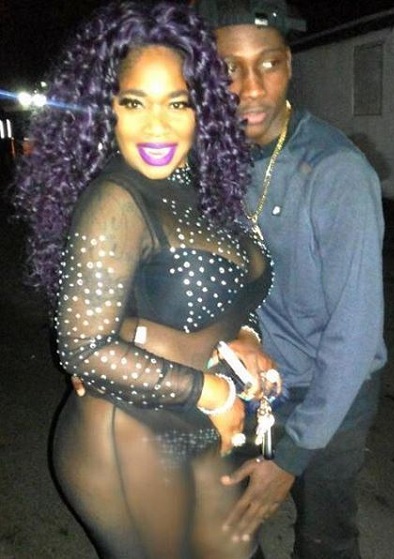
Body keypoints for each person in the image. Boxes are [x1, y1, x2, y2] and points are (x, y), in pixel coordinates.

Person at [12, 2, 275, 558]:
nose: (157, 126)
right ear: (105, 109)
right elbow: (84, 348)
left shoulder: (200, 181)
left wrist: (245, 334)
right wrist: (214, 393)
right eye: (134, 102)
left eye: (177, 102)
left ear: (203, 107)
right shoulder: (116, 200)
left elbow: (226, 287)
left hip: (186, 423)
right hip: (125, 439)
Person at [195, 1, 387, 558]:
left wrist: (292, 456)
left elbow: (355, 333)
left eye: (269, 63)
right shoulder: (210, 160)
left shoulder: (335, 171)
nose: (251, 87)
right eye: (229, 68)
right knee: (226, 534)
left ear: (290, 66)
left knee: (326, 541)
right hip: (245, 382)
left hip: (329, 393)